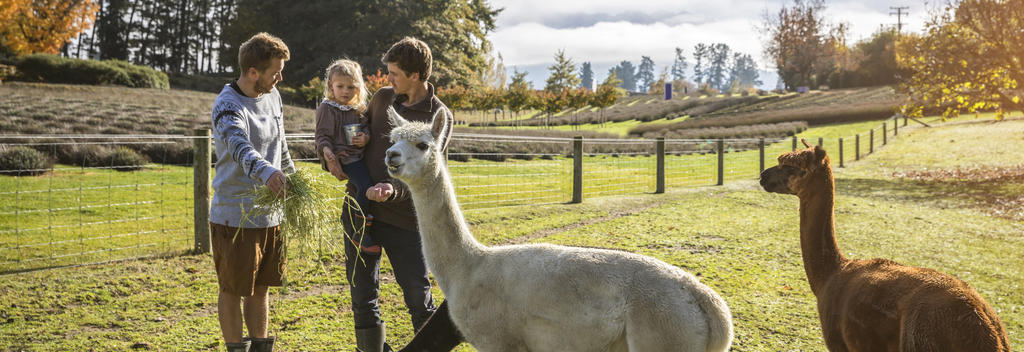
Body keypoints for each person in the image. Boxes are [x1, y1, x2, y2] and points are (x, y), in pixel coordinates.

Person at [341, 37, 462, 352]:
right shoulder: (382, 99)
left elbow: (427, 172)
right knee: (363, 297)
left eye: (394, 73)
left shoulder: (437, 116)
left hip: (405, 220)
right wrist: (336, 150)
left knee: (417, 297)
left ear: (416, 76)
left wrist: (392, 190)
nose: (388, 79)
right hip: (360, 210)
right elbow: (358, 132)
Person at [208, 32, 293, 352]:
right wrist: (267, 172)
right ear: (253, 72)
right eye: (275, 71)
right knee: (233, 289)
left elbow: (280, 146)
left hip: (271, 214)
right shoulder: (227, 106)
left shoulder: (273, 96)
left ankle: (261, 347)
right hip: (236, 215)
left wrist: (293, 181)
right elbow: (240, 148)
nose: (280, 77)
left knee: (261, 287)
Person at [314, 59, 378, 254]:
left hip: (359, 154)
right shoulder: (327, 108)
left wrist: (365, 137)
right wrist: (328, 153)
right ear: (331, 86)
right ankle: (360, 230)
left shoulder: (358, 108)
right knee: (365, 185)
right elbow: (322, 135)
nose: (345, 91)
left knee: (367, 184)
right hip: (345, 157)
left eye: (351, 87)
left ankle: (363, 221)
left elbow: (366, 126)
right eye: (340, 86)